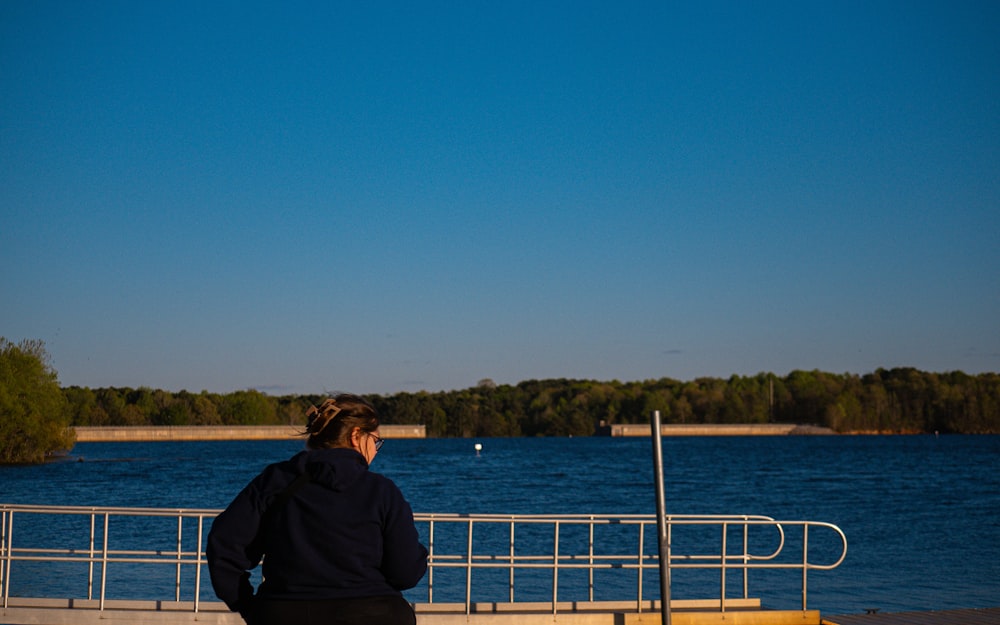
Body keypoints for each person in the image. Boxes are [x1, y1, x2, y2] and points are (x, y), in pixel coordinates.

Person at [207, 394, 428, 625]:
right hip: (370, 613)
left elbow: (224, 547)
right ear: (355, 436)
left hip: (284, 611)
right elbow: (406, 573)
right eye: (375, 441)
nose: (375, 450)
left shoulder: (275, 481)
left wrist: (249, 607)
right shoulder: (382, 491)